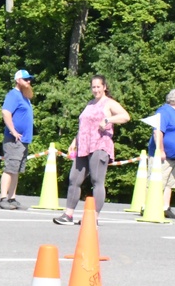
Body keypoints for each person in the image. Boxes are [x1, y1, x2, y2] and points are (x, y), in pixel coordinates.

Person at [53, 74, 130, 225]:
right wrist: (74, 141)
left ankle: (93, 217)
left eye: (98, 87)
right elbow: (84, 126)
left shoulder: (109, 103)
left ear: (104, 87)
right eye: (93, 87)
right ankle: (68, 214)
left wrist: (108, 119)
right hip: (83, 146)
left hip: (100, 145)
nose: (95, 90)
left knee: (96, 180)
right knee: (74, 179)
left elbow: (125, 116)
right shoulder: (90, 104)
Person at [148, 88, 175, 220]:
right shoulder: (164, 112)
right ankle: (148, 206)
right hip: (163, 156)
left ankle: (165, 207)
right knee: (157, 182)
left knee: (169, 183)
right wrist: (160, 150)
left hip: (173, 157)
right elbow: (158, 131)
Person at [0, 69, 35, 210]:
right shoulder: (13, 95)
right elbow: (5, 112)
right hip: (14, 140)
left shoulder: (24, 96)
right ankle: (3, 198)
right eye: (26, 79)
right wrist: (13, 131)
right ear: (18, 80)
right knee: (10, 168)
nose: (28, 81)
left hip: (23, 140)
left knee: (17, 170)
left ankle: (12, 198)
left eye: (29, 79)